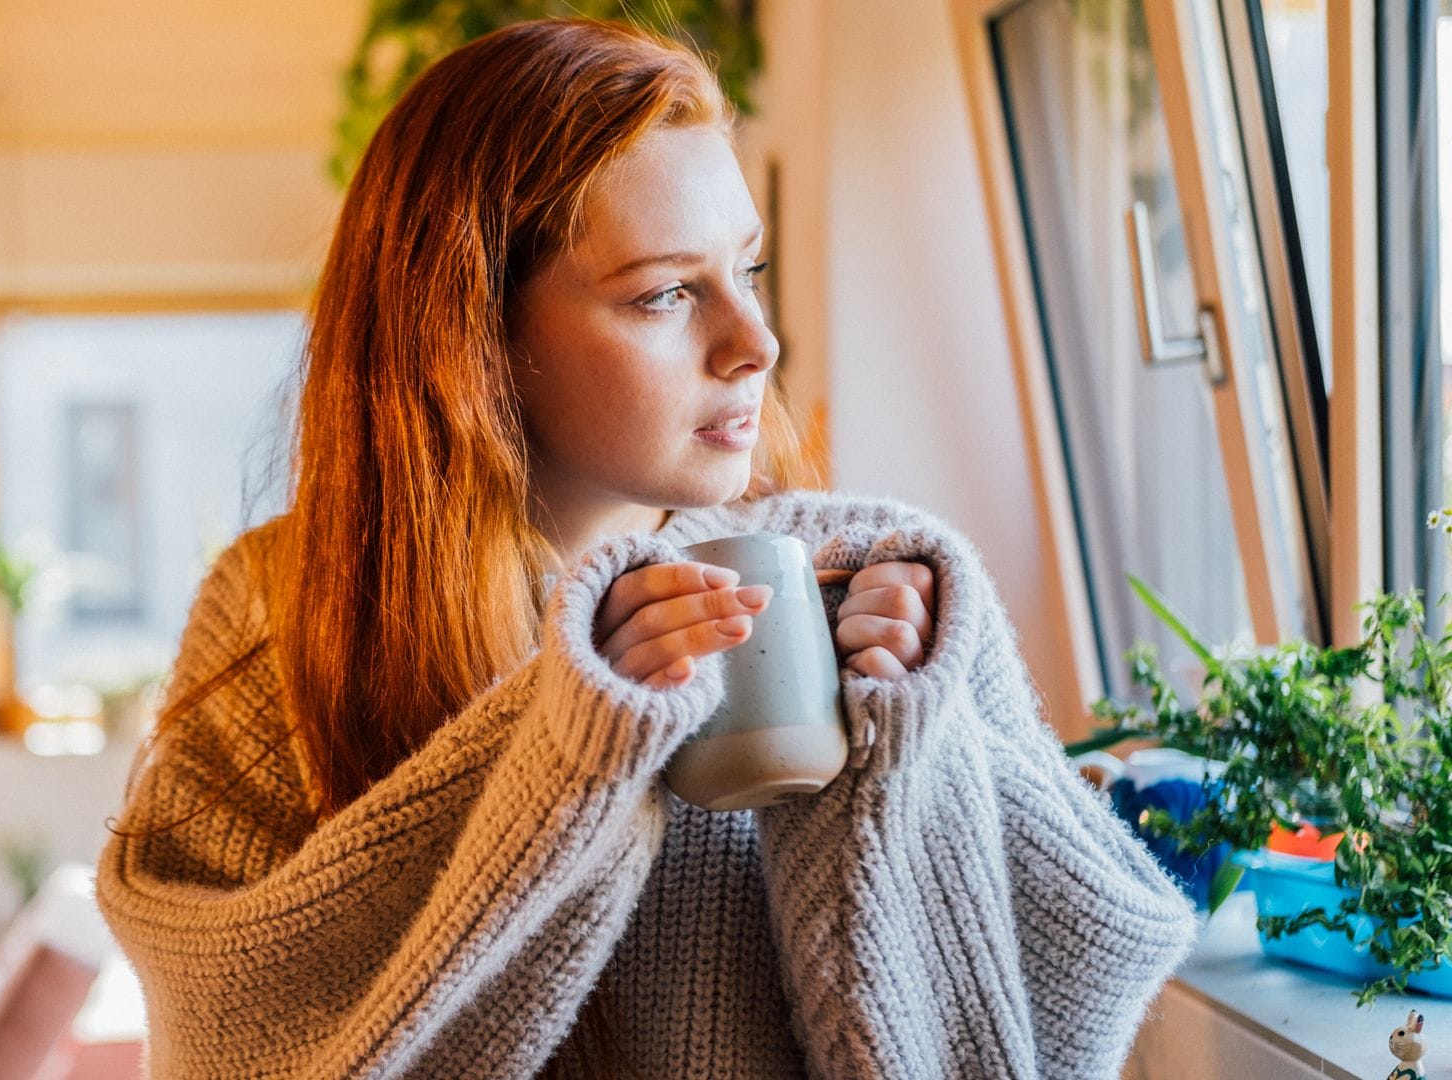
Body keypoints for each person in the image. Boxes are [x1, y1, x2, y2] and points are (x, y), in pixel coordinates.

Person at [97, 17, 1197, 1079]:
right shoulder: (288, 604)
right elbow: (223, 1028)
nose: (755, 342)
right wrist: (576, 752)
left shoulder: (871, 574)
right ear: (473, 332)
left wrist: (912, 746)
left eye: (748, 271)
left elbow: (1096, 963)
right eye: (667, 291)